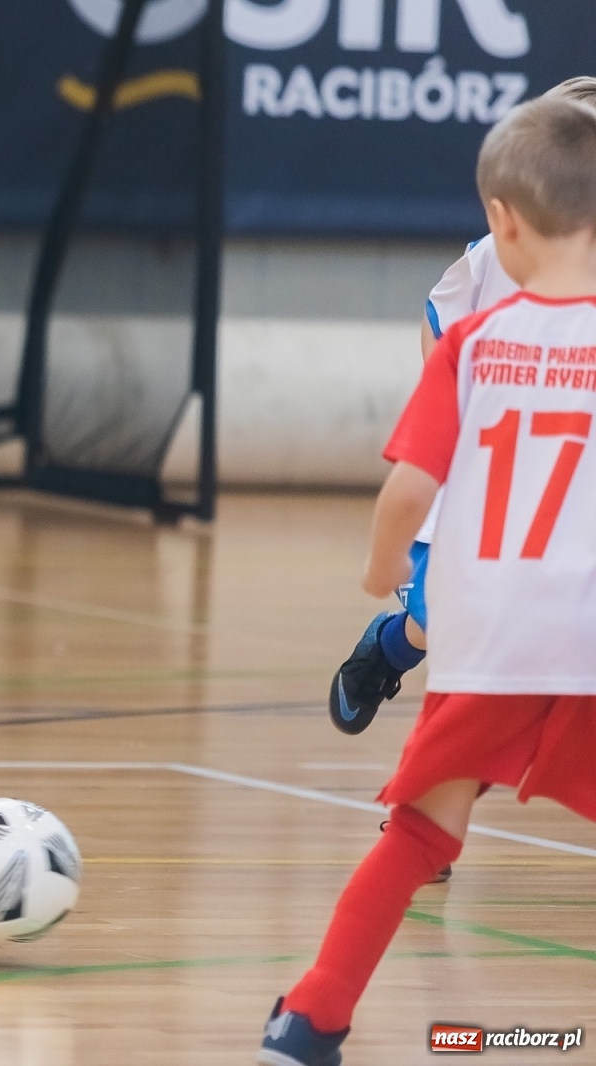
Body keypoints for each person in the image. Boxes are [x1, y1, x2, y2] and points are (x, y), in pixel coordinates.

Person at [261, 95, 596, 1065]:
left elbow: (410, 487)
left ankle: (309, 1021)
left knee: (415, 836)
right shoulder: (489, 305)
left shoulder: (473, 344)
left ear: (503, 217)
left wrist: (376, 573)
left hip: (487, 633)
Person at [329, 74, 596, 742]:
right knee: (439, 625)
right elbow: (437, 320)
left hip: (574, 489)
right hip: (492, 479)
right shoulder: (505, 253)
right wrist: (462, 406)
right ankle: (392, 649)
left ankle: (434, 818)